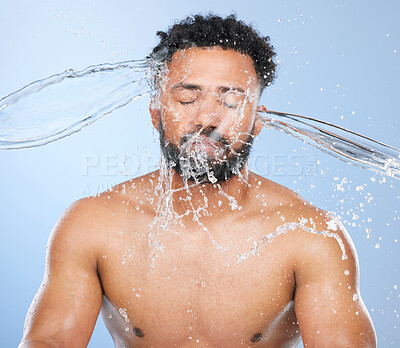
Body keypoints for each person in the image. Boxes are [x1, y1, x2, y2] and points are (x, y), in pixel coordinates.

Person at [19, 14, 376, 347]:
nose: (207, 117)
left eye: (232, 101)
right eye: (187, 97)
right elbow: (49, 341)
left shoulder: (309, 234)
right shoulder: (93, 224)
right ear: (156, 114)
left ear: (258, 120)